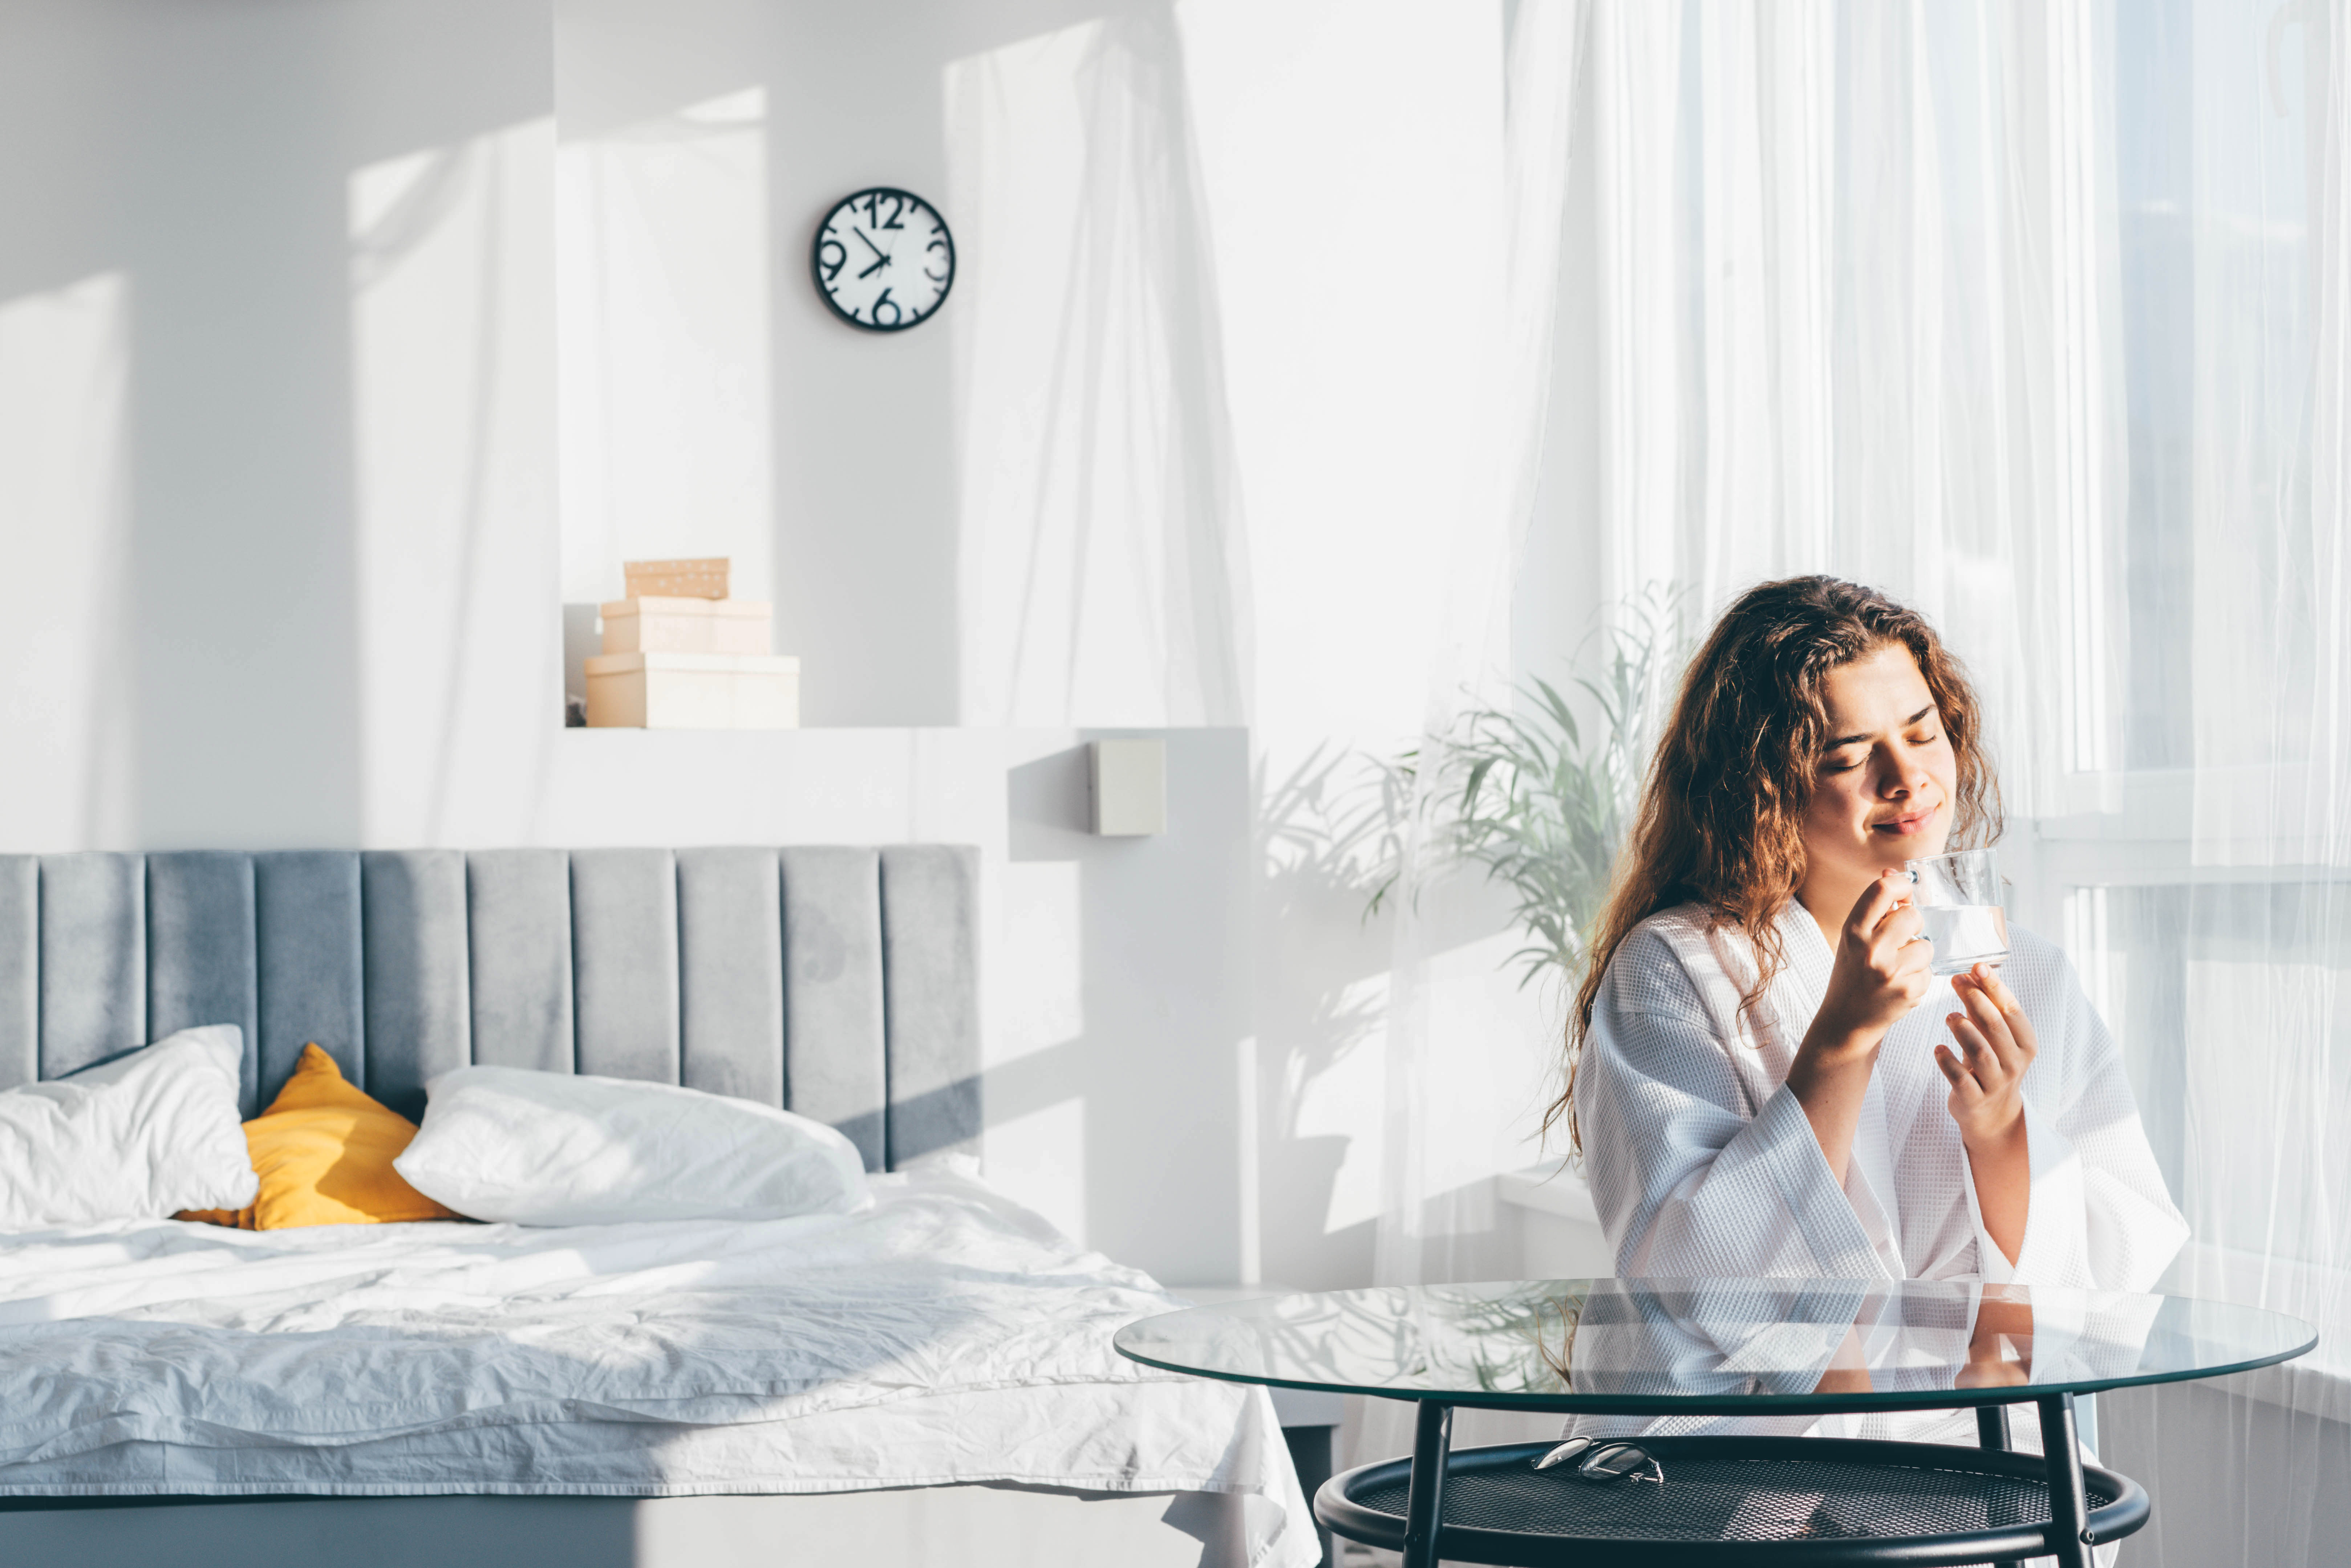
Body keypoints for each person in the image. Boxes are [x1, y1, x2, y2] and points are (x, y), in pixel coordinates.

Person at [1561, 575, 2187, 1453]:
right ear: (1764, 783)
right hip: (1743, 1454)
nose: (1909, 777)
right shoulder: (1677, 966)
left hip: (1975, 1451)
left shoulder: (2029, 968)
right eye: (1851, 754)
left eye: (1924, 730)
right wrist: (1841, 1038)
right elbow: (1692, 1261)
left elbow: (2116, 1265)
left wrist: (2003, 1128)